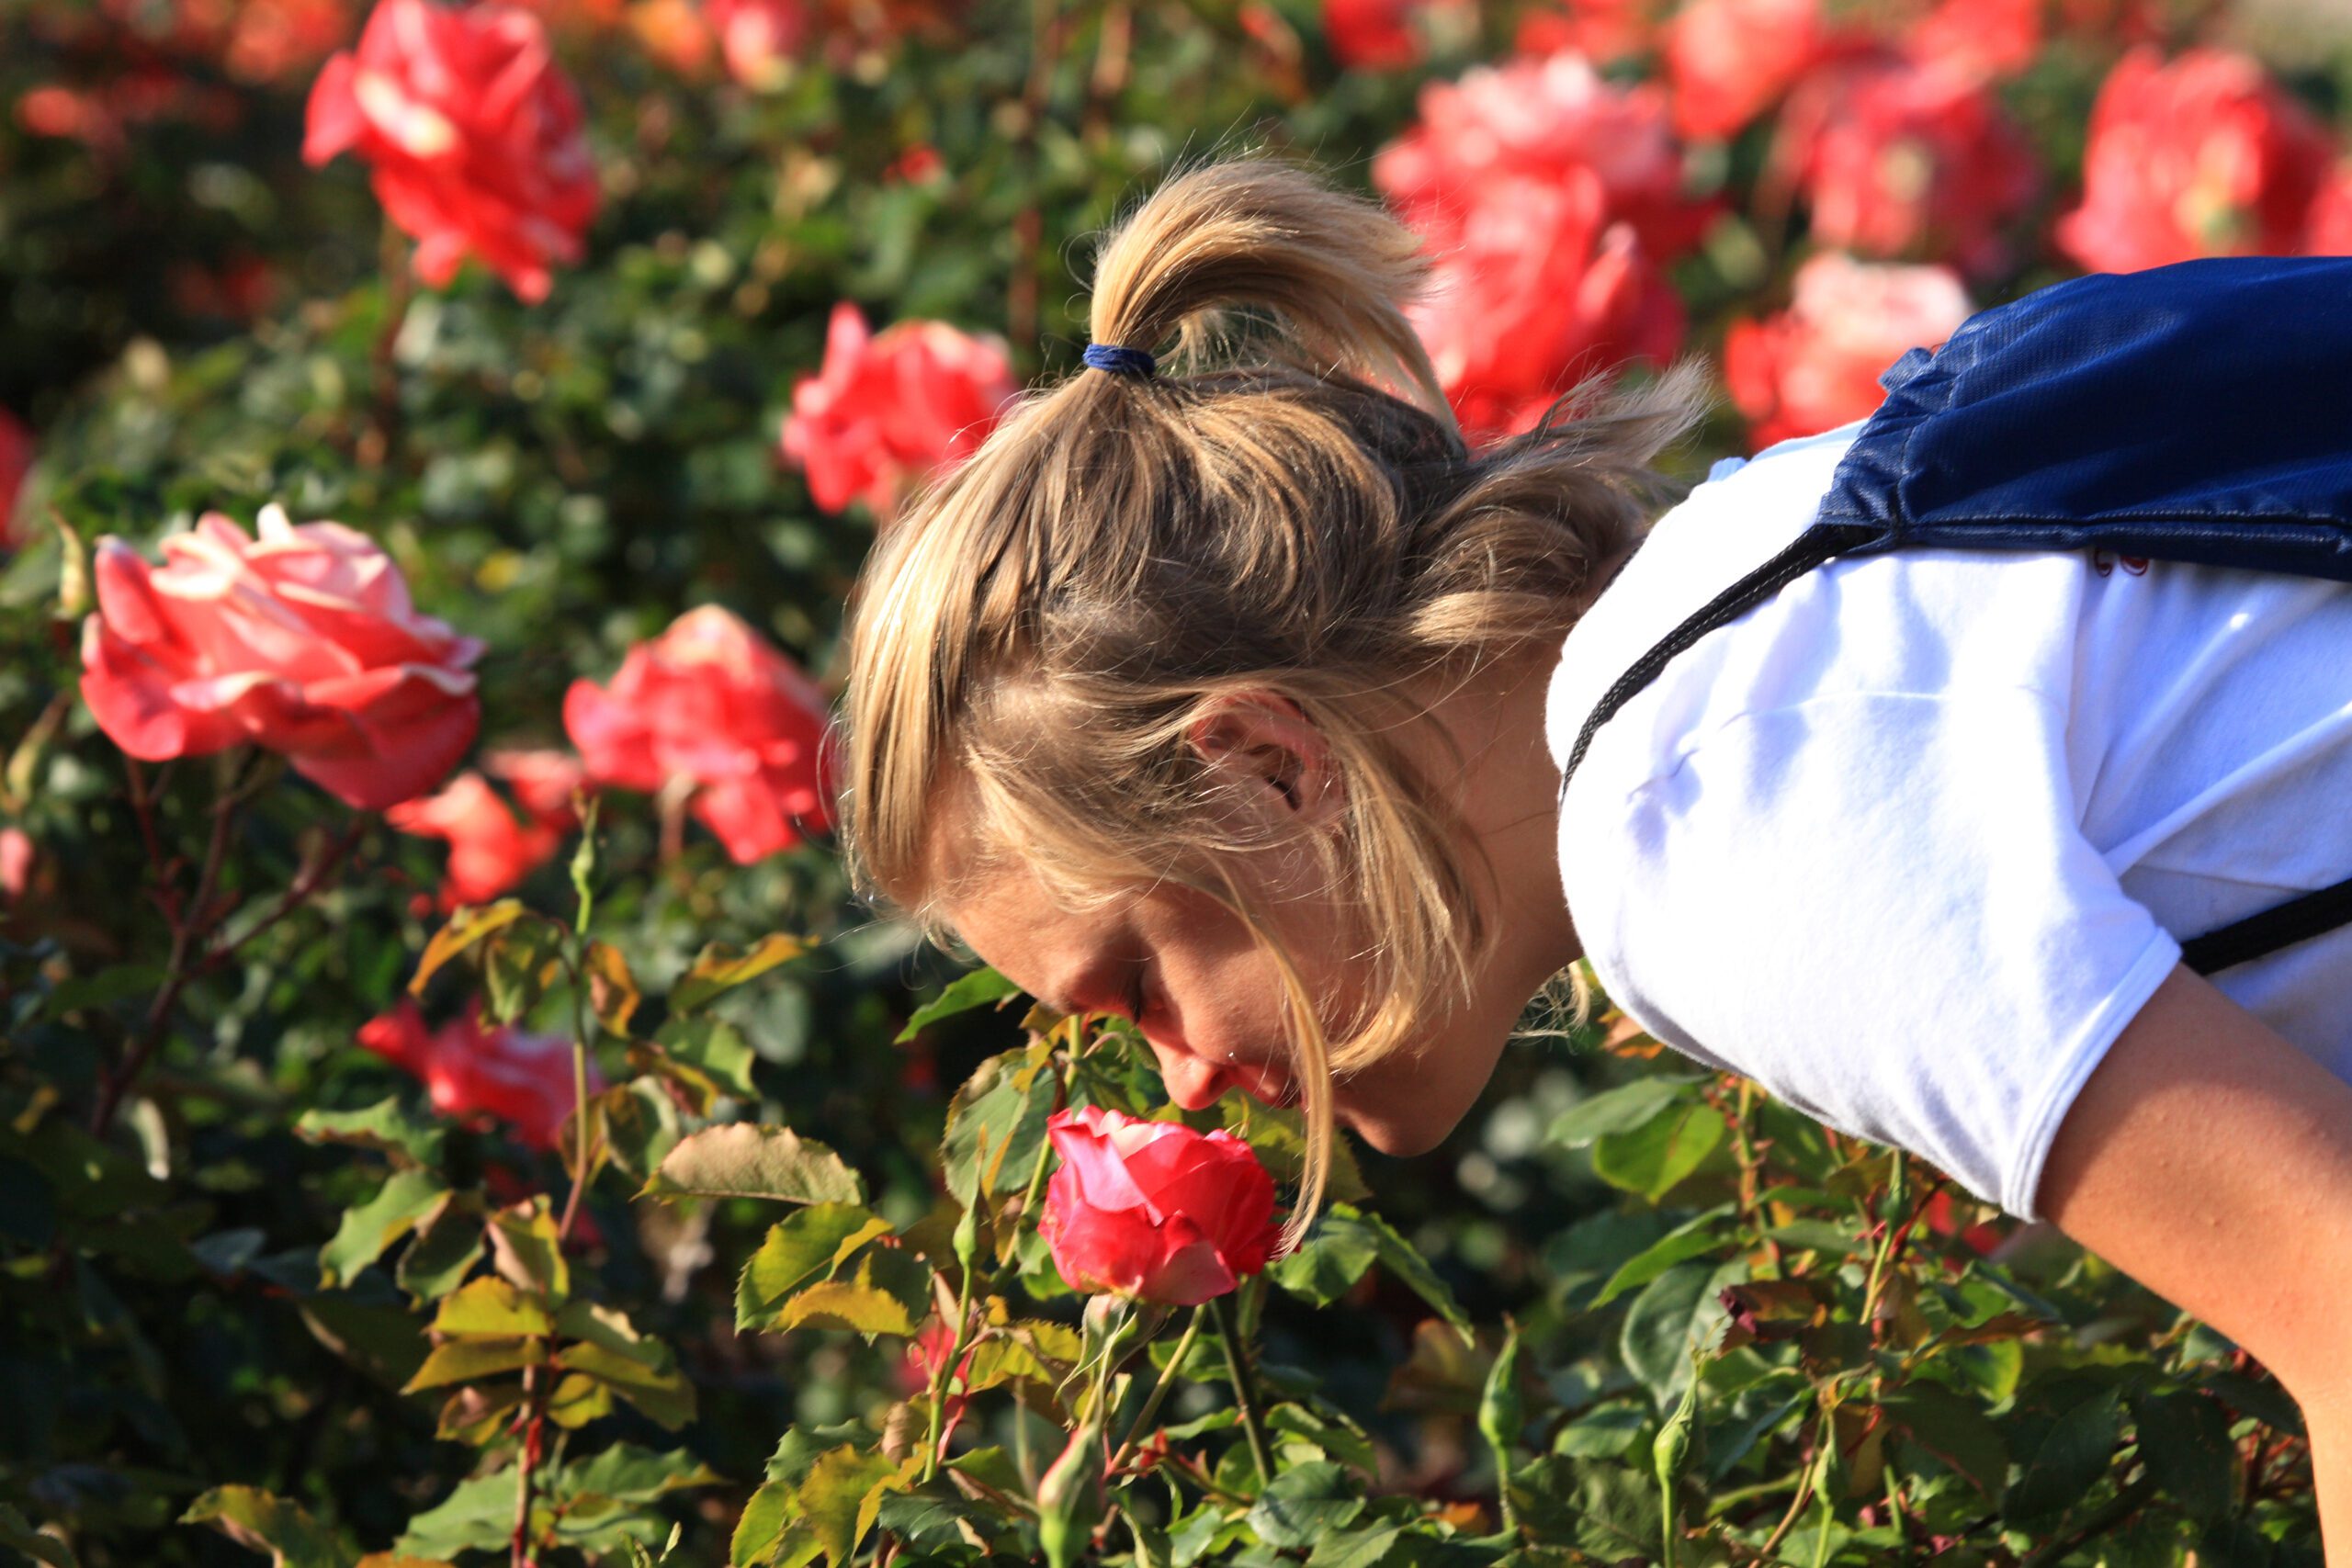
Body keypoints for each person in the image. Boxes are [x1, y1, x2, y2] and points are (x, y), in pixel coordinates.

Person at [832, 155, 2352, 1545]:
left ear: (1266, 770)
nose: (1178, 1076)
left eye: (1135, 982)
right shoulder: (1781, 548)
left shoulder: (1703, 830)